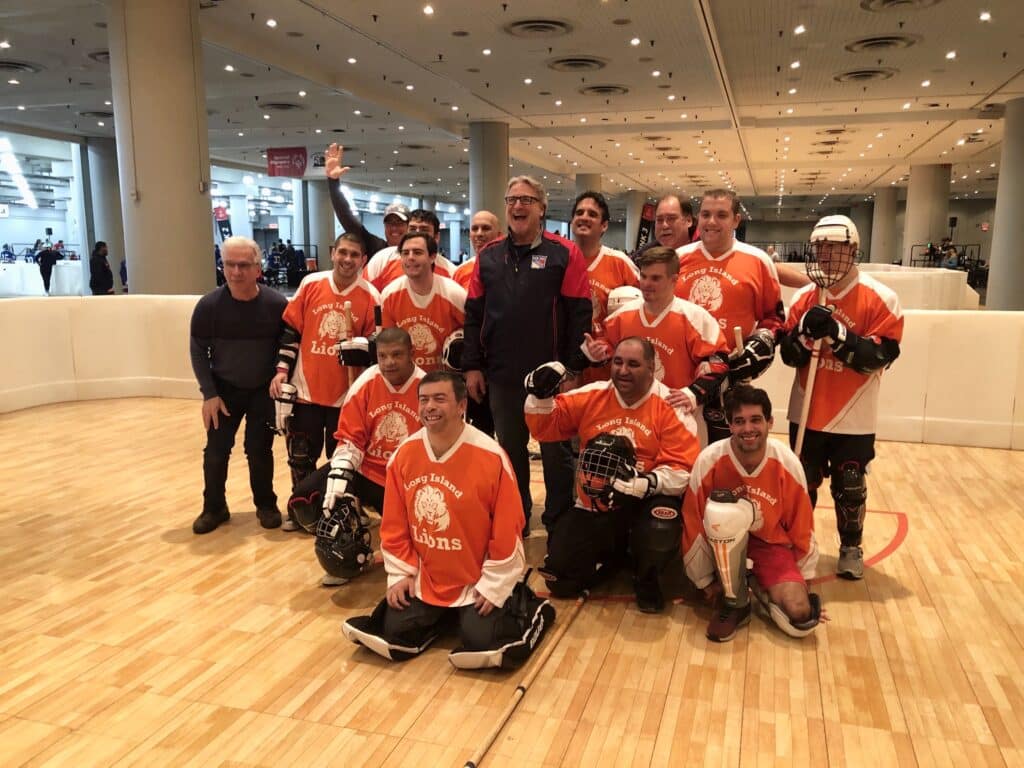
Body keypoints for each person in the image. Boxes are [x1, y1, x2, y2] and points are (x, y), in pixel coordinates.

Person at [341, 371, 555, 670]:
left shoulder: (490, 456)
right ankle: (443, 616)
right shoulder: (404, 455)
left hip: (477, 579)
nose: (430, 407)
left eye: (440, 399)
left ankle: (529, 605)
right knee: (395, 629)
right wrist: (400, 574)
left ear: (461, 406)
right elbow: (394, 524)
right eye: (424, 400)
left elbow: (509, 528)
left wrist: (494, 585)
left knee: (481, 639)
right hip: (428, 578)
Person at [524, 337, 701, 612]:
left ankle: (647, 577)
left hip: (646, 502)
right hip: (595, 504)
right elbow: (545, 428)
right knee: (560, 580)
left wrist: (644, 484)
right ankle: (614, 556)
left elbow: (683, 469)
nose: (622, 370)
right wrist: (539, 396)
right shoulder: (592, 394)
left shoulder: (671, 405)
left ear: (652, 368)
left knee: (661, 523)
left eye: (633, 364)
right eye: (617, 362)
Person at [463, 175, 592, 533]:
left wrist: (570, 370)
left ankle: (560, 521)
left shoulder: (565, 253)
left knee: (556, 455)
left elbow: (580, 315)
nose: (518, 206)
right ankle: (515, 517)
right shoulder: (488, 257)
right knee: (510, 452)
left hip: (550, 378)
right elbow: (473, 315)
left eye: (527, 200)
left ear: (542, 208)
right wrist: (472, 366)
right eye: (512, 199)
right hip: (502, 375)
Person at [780, 215, 903, 579]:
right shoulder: (805, 297)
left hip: (854, 412)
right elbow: (790, 356)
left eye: (834, 246)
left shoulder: (881, 297)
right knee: (804, 483)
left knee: (850, 486)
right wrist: (802, 334)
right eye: (820, 247)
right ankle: (802, 544)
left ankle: (851, 546)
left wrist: (837, 333)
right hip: (807, 408)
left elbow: (875, 358)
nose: (826, 255)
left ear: (853, 248)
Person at [682, 385, 825, 642]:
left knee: (800, 615)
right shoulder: (709, 460)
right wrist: (703, 581)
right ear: (729, 425)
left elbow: (802, 525)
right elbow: (693, 524)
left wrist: (804, 578)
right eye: (739, 421)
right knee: (720, 513)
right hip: (721, 548)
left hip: (769, 545)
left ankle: (755, 587)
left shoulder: (787, 463)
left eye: (756, 420)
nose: (748, 429)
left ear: (770, 421)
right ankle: (736, 601)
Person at [287, 328, 426, 585]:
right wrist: (340, 478)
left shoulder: (427, 389)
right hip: (368, 473)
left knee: (420, 554)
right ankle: (347, 557)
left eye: (397, 355)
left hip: (407, 484)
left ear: (412, 354)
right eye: (383, 356)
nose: (389, 362)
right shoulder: (365, 384)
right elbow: (350, 440)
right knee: (305, 501)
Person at [269, 232, 380, 530]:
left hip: (346, 396)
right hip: (306, 389)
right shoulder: (311, 284)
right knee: (301, 454)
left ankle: (344, 509)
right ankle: (301, 509)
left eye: (354, 255)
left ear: (363, 260)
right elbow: (291, 332)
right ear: (333, 253)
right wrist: (281, 371)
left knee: (341, 459)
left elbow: (376, 348)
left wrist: (360, 347)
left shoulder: (371, 296)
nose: (347, 259)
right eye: (342, 252)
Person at [188, 236, 287, 534]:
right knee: (216, 452)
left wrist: (279, 378)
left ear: (258, 268)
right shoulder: (208, 306)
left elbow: (287, 346)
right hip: (224, 392)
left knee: (259, 451)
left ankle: (266, 505)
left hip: (262, 392)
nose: (235, 272)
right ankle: (214, 507)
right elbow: (197, 351)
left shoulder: (276, 305)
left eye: (244, 265)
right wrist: (209, 394)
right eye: (230, 264)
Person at [674, 189, 785, 443]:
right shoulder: (679, 259)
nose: (711, 222)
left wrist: (763, 341)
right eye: (706, 214)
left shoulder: (758, 261)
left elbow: (774, 317)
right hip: (681, 377)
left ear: (736, 220)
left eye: (721, 215)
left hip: (731, 380)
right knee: (682, 455)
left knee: (725, 454)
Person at [583, 246, 729, 414]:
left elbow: (718, 362)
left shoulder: (696, 318)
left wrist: (693, 393)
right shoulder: (620, 317)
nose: (646, 284)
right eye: (643, 277)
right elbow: (604, 347)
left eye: (655, 278)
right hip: (631, 412)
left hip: (676, 414)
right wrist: (596, 354)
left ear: (674, 280)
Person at [571, 191, 640, 385]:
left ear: (604, 226)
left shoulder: (619, 262)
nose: (584, 217)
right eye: (579, 212)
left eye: (592, 214)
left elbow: (645, 308)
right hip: (568, 368)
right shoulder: (560, 260)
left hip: (610, 371)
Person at [380, 232, 465, 371]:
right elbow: (387, 344)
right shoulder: (389, 295)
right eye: (405, 253)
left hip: (446, 380)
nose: (410, 257)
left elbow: (474, 337)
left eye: (417, 252)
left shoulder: (455, 294)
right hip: (407, 379)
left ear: (432, 257)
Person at [325, 142, 409, 262]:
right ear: (384, 226)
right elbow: (348, 220)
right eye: (390, 223)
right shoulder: (376, 247)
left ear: (408, 226)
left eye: (399, 223)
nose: (394, 228)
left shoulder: (417, 254)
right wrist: (333, 182)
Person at [363, 208, 456, 292]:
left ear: (436, 237)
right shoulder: (381, 260)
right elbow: (365, 295)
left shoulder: (450, 271)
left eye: (424, 230)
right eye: (412, 229)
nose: (417, 234)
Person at [452, 210, 500, 290]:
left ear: (498, 235)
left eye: (486, 228)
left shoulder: (510, 268)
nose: (479, 234)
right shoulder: (460, 272)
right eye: (474, 229)